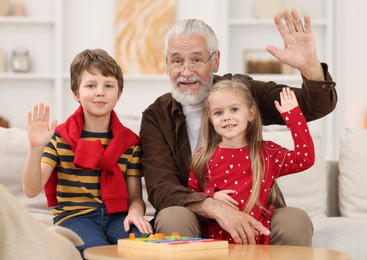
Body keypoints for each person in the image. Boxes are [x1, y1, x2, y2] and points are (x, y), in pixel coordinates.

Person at [140, 9, 337, 246]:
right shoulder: (156, 116)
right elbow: (161, 187)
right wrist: (214, 207)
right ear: (166, 65)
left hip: (256, 211)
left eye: (196, 59)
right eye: (177, 61)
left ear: (215, 61)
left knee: (294, 220)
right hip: (194, 214)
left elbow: (313, 107)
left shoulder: (242, 92)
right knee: (172, 216)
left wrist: (311, 67)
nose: (186, 71)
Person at [22, 49, 153, 256]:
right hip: (75, 217)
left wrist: (136, 212)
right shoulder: (59, 138)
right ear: (76, 93)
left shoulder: (130, 143)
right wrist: (35, 148)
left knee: (148, 247)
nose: (100, 92)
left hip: (116, 216)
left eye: (108, 85)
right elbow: (31, 189)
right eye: (91, 85)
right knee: (98, 252)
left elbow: (135, 197)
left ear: (118, 94)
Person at [187, 80, 315, 245]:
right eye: (218, 113)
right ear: (211, 120)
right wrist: (212, 196)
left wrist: (293, 116)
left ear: (250, 113)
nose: (226, 117)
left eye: (234, 109)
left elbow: (305, 158)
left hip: (257, 243)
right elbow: (191, 195)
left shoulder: (267, 153)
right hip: (215, 243)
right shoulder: (203, 155)